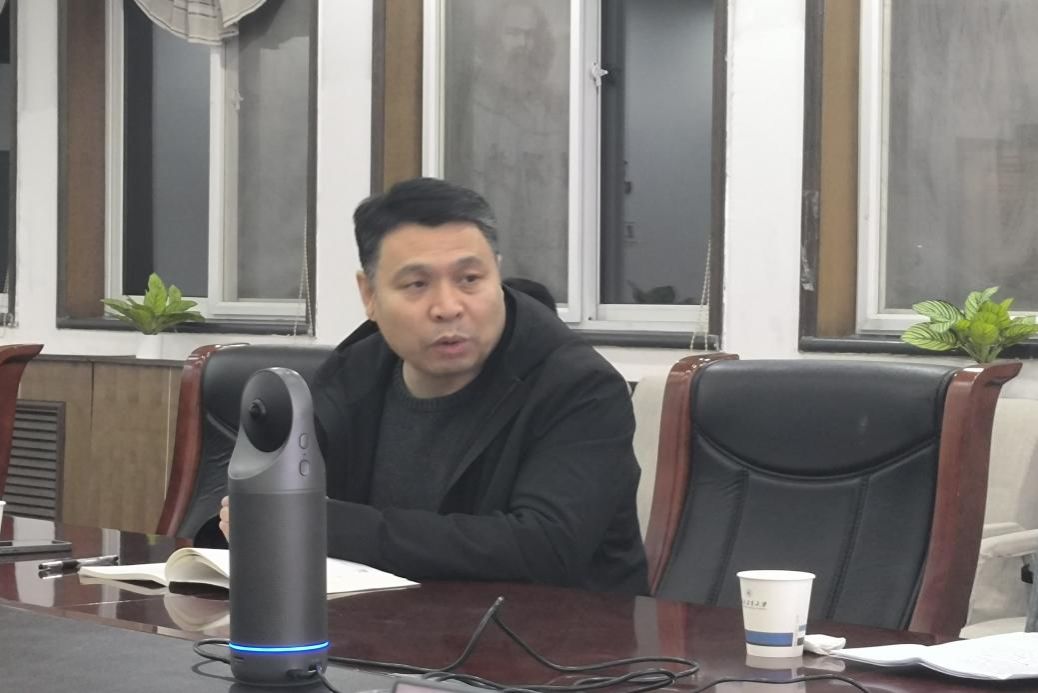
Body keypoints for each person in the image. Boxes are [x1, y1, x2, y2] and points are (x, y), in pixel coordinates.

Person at [219, 177, 647, 595]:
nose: (447, 307)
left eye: (470, 279)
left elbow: (544, 547)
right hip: (379, 628)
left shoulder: (581, 388)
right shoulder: (352, 374)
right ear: (369, 295)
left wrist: (319, 524)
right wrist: (249, 516)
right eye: (417, 285)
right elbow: (276, 505)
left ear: (497, 274)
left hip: (558, 636)